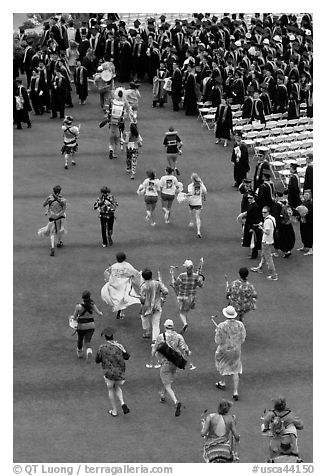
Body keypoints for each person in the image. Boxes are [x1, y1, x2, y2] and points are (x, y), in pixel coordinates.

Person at [152, 319, 191, 416]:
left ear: (165, 327)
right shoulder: (179, 336)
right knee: (167, 381)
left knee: (167, 385)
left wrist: (153, 355)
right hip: (175, 362)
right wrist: (187, 352)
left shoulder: (161, 337)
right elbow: (184, 348)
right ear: (173, 327)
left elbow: (155, 348)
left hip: (165, 362)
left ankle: (176, 402)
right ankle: (162, 395)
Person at [95, 327, 130, 417]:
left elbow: (97, 360)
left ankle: (114, 411)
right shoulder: (119, 346)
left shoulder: (102, 347)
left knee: (111, 389)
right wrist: (123, 349)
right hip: (120, 373)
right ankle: (122, 402)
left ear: (105, 337)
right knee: (117, 387)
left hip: (109, 373)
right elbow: (127, 357)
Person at [214, 306, 246, 401]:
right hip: (236, 349)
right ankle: (235, 392)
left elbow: (217, 340)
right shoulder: (240, 325)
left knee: (222, 364)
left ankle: (222, 382)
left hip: (224, 350)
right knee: (236, 369)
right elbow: (243, 338)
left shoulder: (221, 326)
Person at [101, 251, 141, 319]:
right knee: (125, 299)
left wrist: (108, 279)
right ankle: (143, 311)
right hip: (124, 286)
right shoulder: (127, 265)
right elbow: (135, 273)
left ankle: (119, 312)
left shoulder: (113, 266)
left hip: (115, 286)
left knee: (118, 300)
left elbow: (107, 272)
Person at [172, 259, 204, 333]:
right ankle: (185, 323)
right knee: (185, 311)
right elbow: (201, 285)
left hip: (182, 296)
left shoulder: (182, 275)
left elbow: (176, 284)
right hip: (191, 298)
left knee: (181, 312)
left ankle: (185, 323)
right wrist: (198, 281)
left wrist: (173, 278)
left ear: (186, 268)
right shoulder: (196, 276)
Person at [72, 290, 103, 361]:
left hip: (81, 326)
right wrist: (101, 313)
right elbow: (99, 314)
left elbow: (74, 317)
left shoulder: (78, 306)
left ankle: (79, 353)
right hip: (91, 326)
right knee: (87, 341)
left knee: (80, 339)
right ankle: (89, 351)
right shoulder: (92, 305)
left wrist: (72, 319)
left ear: (82, 298)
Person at [251, 206, 278, 280]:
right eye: (262, 212)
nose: (263, 213)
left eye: (265, 212)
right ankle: (260, 268)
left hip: (266, 241)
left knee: (268, 259)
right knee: (263, 256)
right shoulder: (272, 218)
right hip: (269, 241)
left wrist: (261, 228)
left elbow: (267, 232)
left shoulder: (267, 221)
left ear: (268, 212)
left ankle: (273, 275)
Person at [38, 185, 67, 256]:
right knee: (60, 230)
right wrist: (59, 214)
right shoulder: (63, 199)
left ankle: (53, 247)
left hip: (52, 217)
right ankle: (59, 242)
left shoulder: (50, 198)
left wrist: (48, 209)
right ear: (60, 191)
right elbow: (64, 209)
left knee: (52, 233)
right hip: (60, 217)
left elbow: (44, 204)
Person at [239, 193, 263, 259]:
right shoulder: (250, 205)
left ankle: (254, 254)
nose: (249, 199)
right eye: (248, 198)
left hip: (253, 226)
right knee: (251, 240)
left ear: (254, 198)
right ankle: (253, 253)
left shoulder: (255, 206)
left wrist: (252, 227)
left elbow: (255, 218)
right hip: (249, 224)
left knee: (254, 240)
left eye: (251, 198)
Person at [273, 194, 295, 258]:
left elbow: (275, 216)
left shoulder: (277, 205)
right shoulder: (286, 202)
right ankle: (288, 250)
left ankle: (277, 252)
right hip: (287, 223)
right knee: (288, 237)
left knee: (278, 238)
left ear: (276, 196)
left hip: (280, 224)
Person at [187, 173, 207, 238]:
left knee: (190, 211)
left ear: (192, 179)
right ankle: (198, 231)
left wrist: (185, 196)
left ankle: (191, 221)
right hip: (198, 203)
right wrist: (204, 197)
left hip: (192, 202)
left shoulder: (190, 186)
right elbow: (205, 191)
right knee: (198, 217)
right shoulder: (201, 185)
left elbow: (190, 193)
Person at [296, 189, 313, 256]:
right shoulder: (303, 202)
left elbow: (310, 213)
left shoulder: (310, 203)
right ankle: (305, 246)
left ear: (310, 196)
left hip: (308, 222)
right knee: (303, 233)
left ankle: (310, 249)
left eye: (307, 195)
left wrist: (305, 215)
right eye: (305, 194)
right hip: (303, 221)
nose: (306, 196)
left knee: (308, 234)